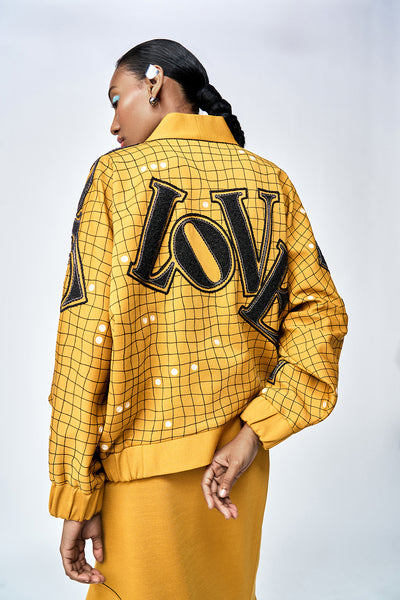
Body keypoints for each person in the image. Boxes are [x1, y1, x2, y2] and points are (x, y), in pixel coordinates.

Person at [48, 39, 348, 600]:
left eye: (116, 99)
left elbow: (85, 339)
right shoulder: (271, 180)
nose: (112, 123)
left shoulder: (116, 176)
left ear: (154, 82)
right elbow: (321, 316)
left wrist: (75, 490)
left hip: (140, 468)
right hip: (237, 468)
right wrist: (257, 432)